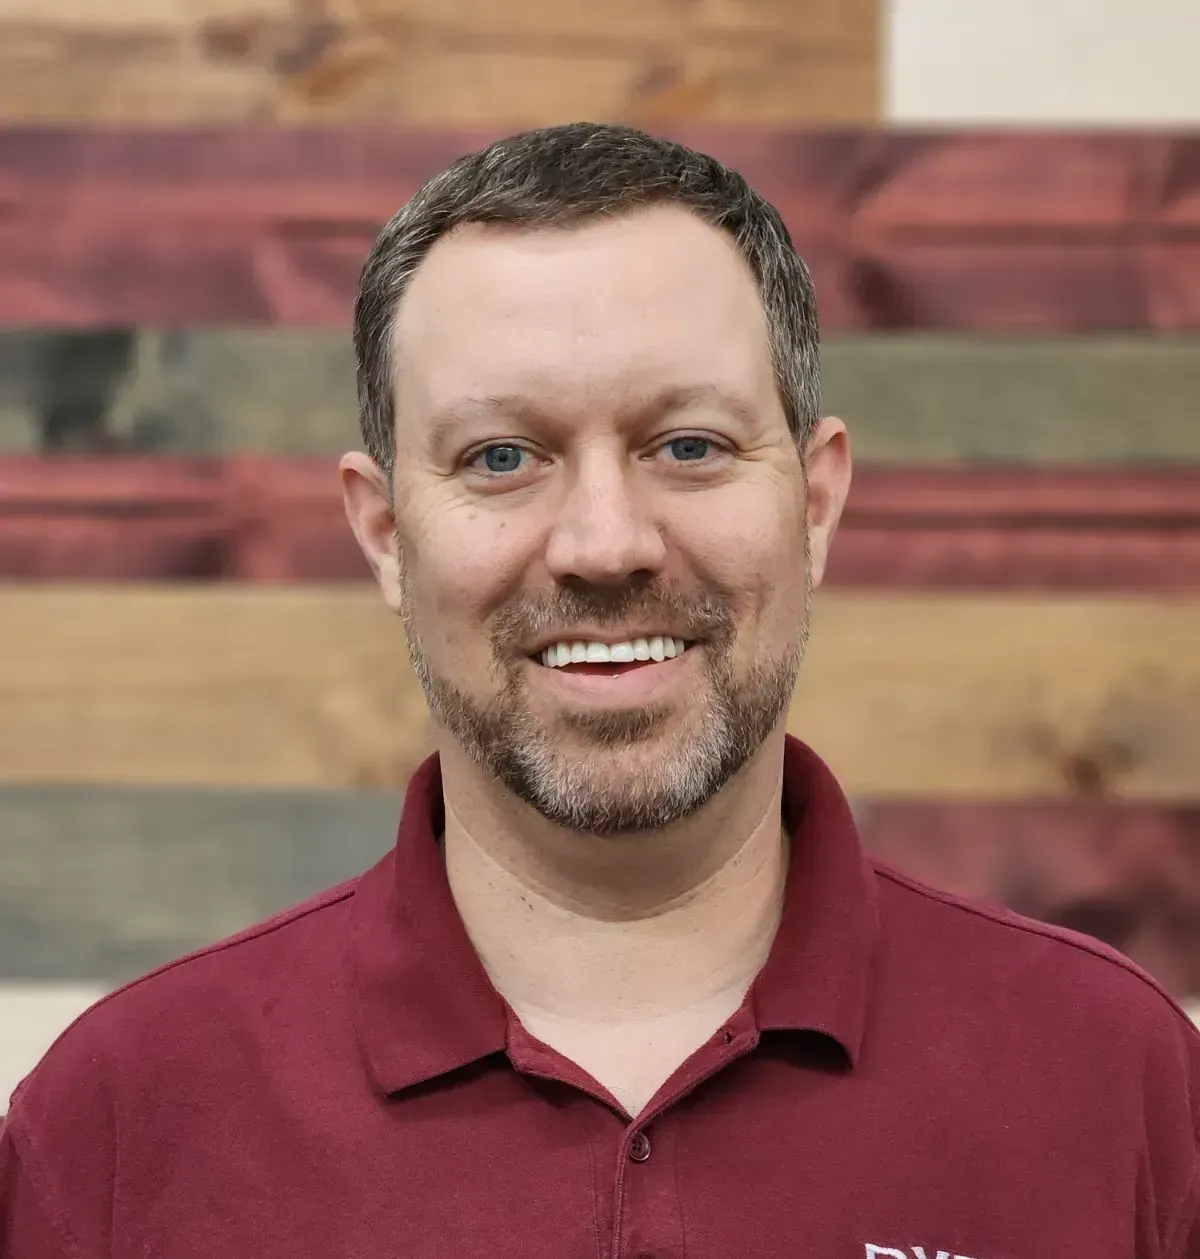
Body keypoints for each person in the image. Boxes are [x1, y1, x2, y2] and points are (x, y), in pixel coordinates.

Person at [2, 123, 1198, 1259]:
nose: (605, 543)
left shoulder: (1119, 1082)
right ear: (383, 533)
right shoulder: (122, 1122)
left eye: (687, 444)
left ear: (816, 500)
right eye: (501, 458)